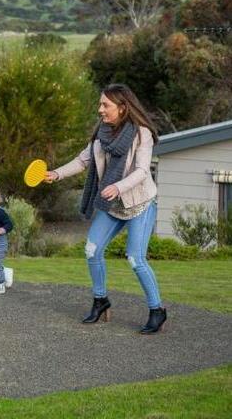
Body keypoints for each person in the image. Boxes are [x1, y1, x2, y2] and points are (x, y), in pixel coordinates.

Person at [45, 83, 166, 334]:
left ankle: (157, 310)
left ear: (123, 108)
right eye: (100, 104)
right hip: (113, 206)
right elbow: (82, 160)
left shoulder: (141, 134)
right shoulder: (102, 135)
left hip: (139, 204)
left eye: (105, 105)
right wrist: (56, 174)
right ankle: (100, 301)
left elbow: (143, 171)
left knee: (135, 258)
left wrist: (118, 187)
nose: (100, 109)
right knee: (91, 250)